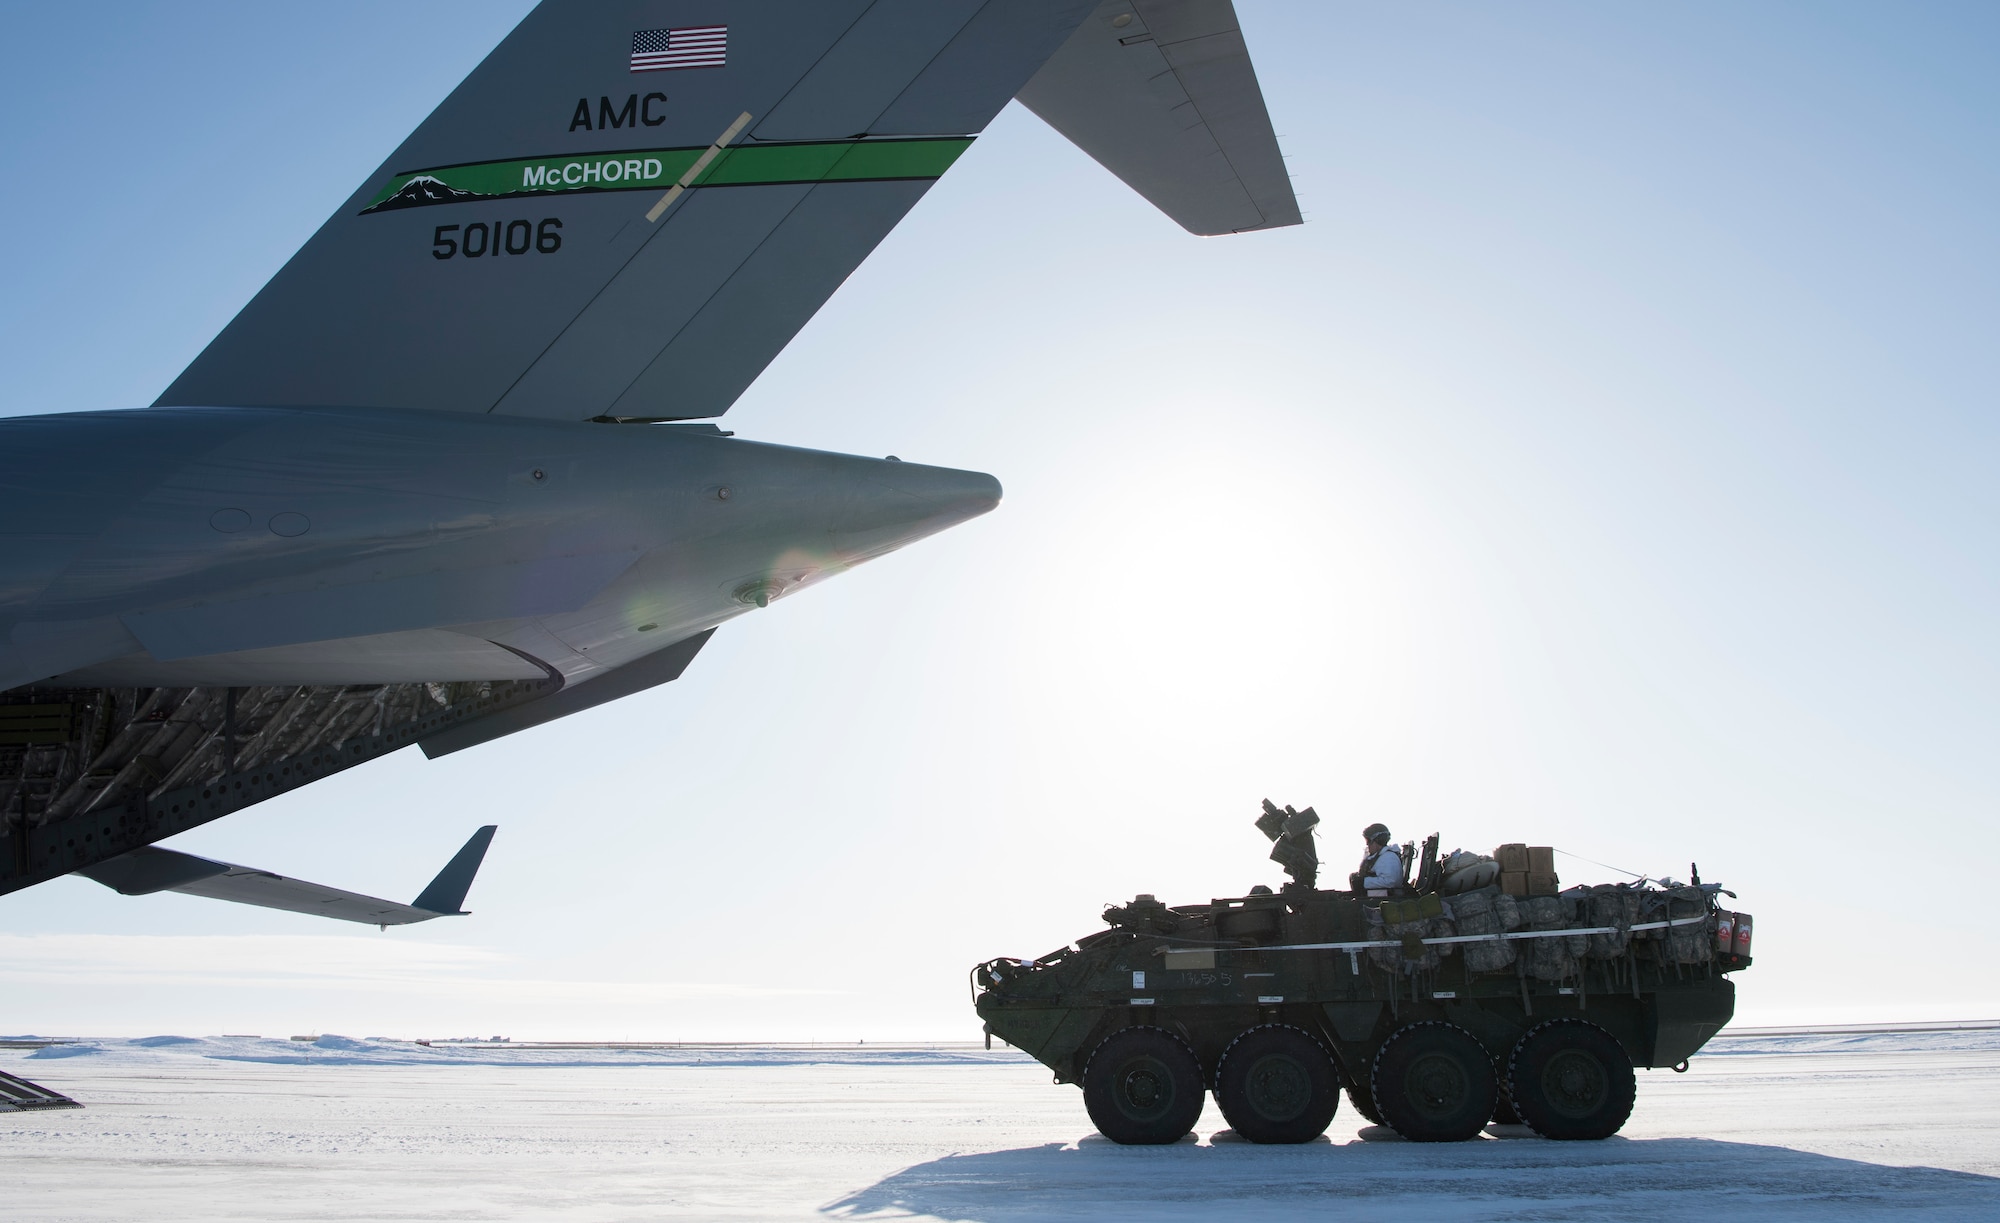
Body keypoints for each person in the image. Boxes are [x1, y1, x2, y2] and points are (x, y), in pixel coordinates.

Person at [1351, 823, 1403, 895]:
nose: (1367, 845)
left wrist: (1364, 882)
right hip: (1376, 896)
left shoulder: (1388, 858)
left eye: (1368, 841)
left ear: (1377, 840)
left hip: (1384, 899)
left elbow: (1390, 881)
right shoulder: (1380, 857)